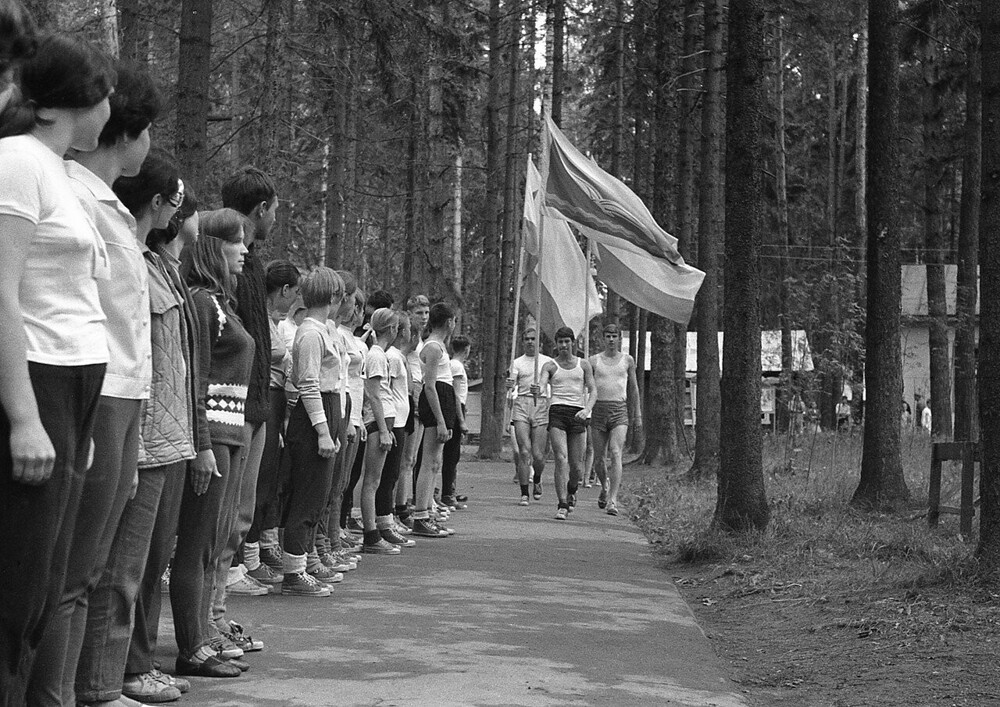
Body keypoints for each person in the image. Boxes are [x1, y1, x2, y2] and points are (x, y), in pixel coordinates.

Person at [0, 31, 114, 705]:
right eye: (107, 95)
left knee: (45, 586)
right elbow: (1, 289)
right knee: (16, 589)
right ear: (86, 98)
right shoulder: (17, 160)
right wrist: (23, 416)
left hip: (73, 391)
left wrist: (80, 422)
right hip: (36, 382)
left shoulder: (58, 171)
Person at [66, 75, 179, 707]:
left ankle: (94, 683)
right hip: (98, 388)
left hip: (127, 395)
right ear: (124, 132)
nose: (150, 141)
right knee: (84, 565)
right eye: (147, 129)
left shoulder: (107, 206)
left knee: (103, 562)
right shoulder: (83, 199)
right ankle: (88, 685)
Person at [126, 179, 205, 702]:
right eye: (182, 205)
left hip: (173, 435)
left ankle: (135, 664)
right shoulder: (140, 262)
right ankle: (122, 671)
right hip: (149, 434)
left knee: (154, 561)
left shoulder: (164, 270)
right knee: (131, 565)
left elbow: (184, 366)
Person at [171, 209, 253, 679]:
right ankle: (191, 646)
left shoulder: (224, 302)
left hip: (231, 434)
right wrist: (202, 443)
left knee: (215, 543)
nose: (244, 250)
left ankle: (202, 636)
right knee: (198, 546)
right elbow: (196, 379)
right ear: (212, 247)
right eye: (236, 242)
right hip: (213, 438)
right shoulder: (203, 303)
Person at [213, 168, 278, 651]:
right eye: (275, 208)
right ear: (260, 210)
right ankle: (208, 619)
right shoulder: (227, 266)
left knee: (240, 515)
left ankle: (216, 614)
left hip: (254, 405)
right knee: (221, 519)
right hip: (231, 406)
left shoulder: (252, 264)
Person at [282, 268, 345, 595]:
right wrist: (322, 430)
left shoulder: (323, 330)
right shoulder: (310, 334)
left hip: (328, 408)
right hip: (314, 416)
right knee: (307, 495)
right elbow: (307, 384)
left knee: (318, 494)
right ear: (333, 298)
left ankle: (302, 563)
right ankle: (294, 571)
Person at [243, 260, 300, 589]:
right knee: (257, 480)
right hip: (264, 396)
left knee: (267, 481)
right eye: (293, 294)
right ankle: (248, 557)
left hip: (275, 401)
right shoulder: (261, 320)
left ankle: (259, 550)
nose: (294, 302)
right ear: (284, 290)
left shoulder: (274, 322)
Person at [535, 327, 596, 521]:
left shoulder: (583, 365)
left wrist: (587, 409)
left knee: (577, 467)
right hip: (557, 412)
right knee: (561, 458)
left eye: (566, 342)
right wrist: (539, 388)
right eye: (560, 342)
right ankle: (562, 503)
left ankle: (572, 489)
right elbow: (542, 383)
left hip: (578, 412)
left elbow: (593, 390)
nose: (563, 345)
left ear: (573, 343)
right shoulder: (550, 366)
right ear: (556, 344)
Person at [412, 302, 461, 538]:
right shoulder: (432, 347)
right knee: (429, 460)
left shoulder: (440, 346)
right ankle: (420, 514)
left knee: (436, 462)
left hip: (445, 396)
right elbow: (429, 386)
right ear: (449, 322)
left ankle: (428, 511)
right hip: (437, 399)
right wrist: (440, 420)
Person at [359, 308, 403, 553]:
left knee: (376, 479)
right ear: (392, 329)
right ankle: (370, 534)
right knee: (372, 480)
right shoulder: (376, 355)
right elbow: (374, 395)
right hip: (379, 421)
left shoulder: (381, 355)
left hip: (385, 418)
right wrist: (384, 430)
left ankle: (374, 530)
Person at [588, 323, 641, 517]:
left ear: (620, 338)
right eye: (608, 336)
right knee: (599, 459)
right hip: (599, 409)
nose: (611, 339)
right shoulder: (594, 361)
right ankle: (604, 485)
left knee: (616, 452)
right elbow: (586, 386)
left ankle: (613, 499)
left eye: (614, 336)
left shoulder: (627, 360)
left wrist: (637, 415)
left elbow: (634, 388)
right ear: (603, 338)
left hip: (619, 409)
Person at [507, 328, 554, 505]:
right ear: (522, 341)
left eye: (533, 339)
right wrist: (509, 385)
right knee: (524, 451)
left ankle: (538, 477)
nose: (530, 342)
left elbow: (553, 383)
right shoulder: (517, 362)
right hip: (522, 403)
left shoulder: (547, 362)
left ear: (539, 342)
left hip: (541, 404)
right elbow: (512, 385)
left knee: (538, 454)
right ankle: (524, 492)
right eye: (526, 339)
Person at [442, 335, 471, 509]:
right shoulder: (457, 366)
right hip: (456, 411)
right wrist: (461, 421)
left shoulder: (453, 365)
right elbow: (456, 395)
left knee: (452, 455)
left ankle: (449, 490)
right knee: (452, 455)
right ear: (467, 349)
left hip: (457, 410)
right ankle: (448, 493)